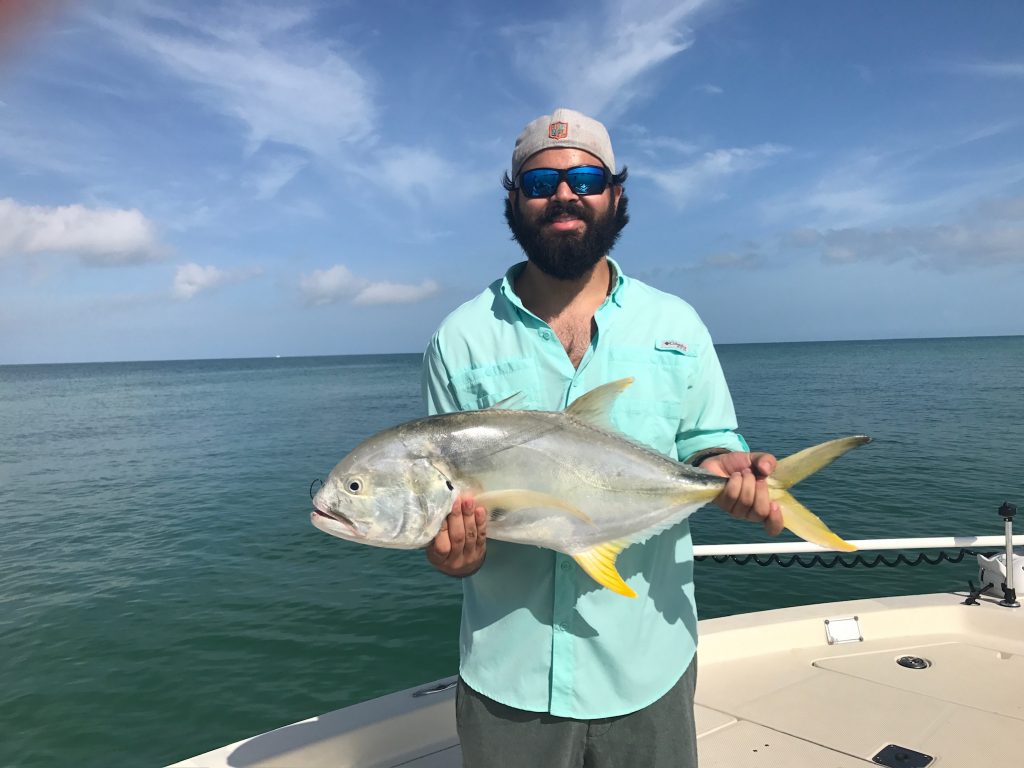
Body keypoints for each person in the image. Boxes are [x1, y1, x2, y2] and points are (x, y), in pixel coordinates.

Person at [420, 108, 783, 768]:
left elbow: (708, 441)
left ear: (615, 194)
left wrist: (724, 467)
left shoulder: (676, 325)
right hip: (509, 676)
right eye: (540, 183)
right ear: (514, 201)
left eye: (585, 179)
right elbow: (446, 499)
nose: (564, 194)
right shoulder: (460, 338)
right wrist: (453, 556)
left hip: (648, 661)